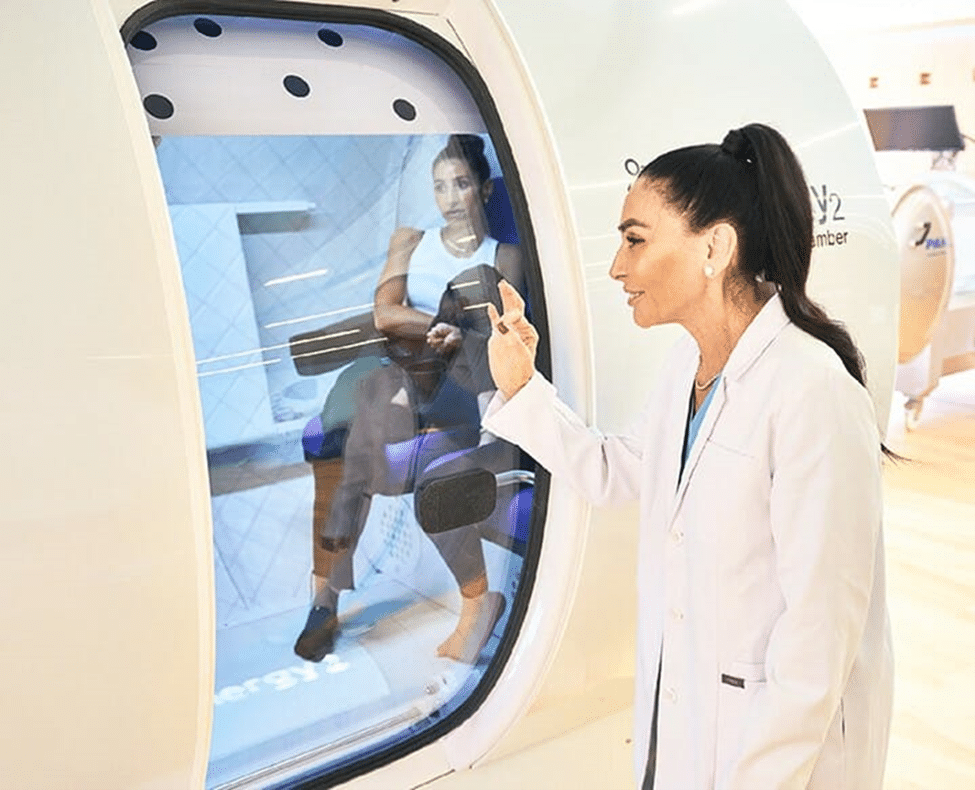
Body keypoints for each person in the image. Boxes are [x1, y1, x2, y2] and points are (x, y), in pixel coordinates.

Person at [482, 124, 893, 789]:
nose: (617, 267)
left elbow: (816, 646)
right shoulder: (688, 367)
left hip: (777, 761)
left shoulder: (812, 391)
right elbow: (618, 472)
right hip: (689, 727)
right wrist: (521, 387)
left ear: (714, 247)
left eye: (635, 240)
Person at [295, 134, 523, 665]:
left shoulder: (502, 256)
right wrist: (441, 325)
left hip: (460, 379)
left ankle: (328, 595)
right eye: (440, 186)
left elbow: (498, 330)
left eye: (461, 184)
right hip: (404, 370)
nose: (450, 198)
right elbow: (385, 314)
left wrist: (456, 335)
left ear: (484, 190)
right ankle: (324, 599)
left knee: (362, 436)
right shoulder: (410, 241)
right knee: (353, 432)